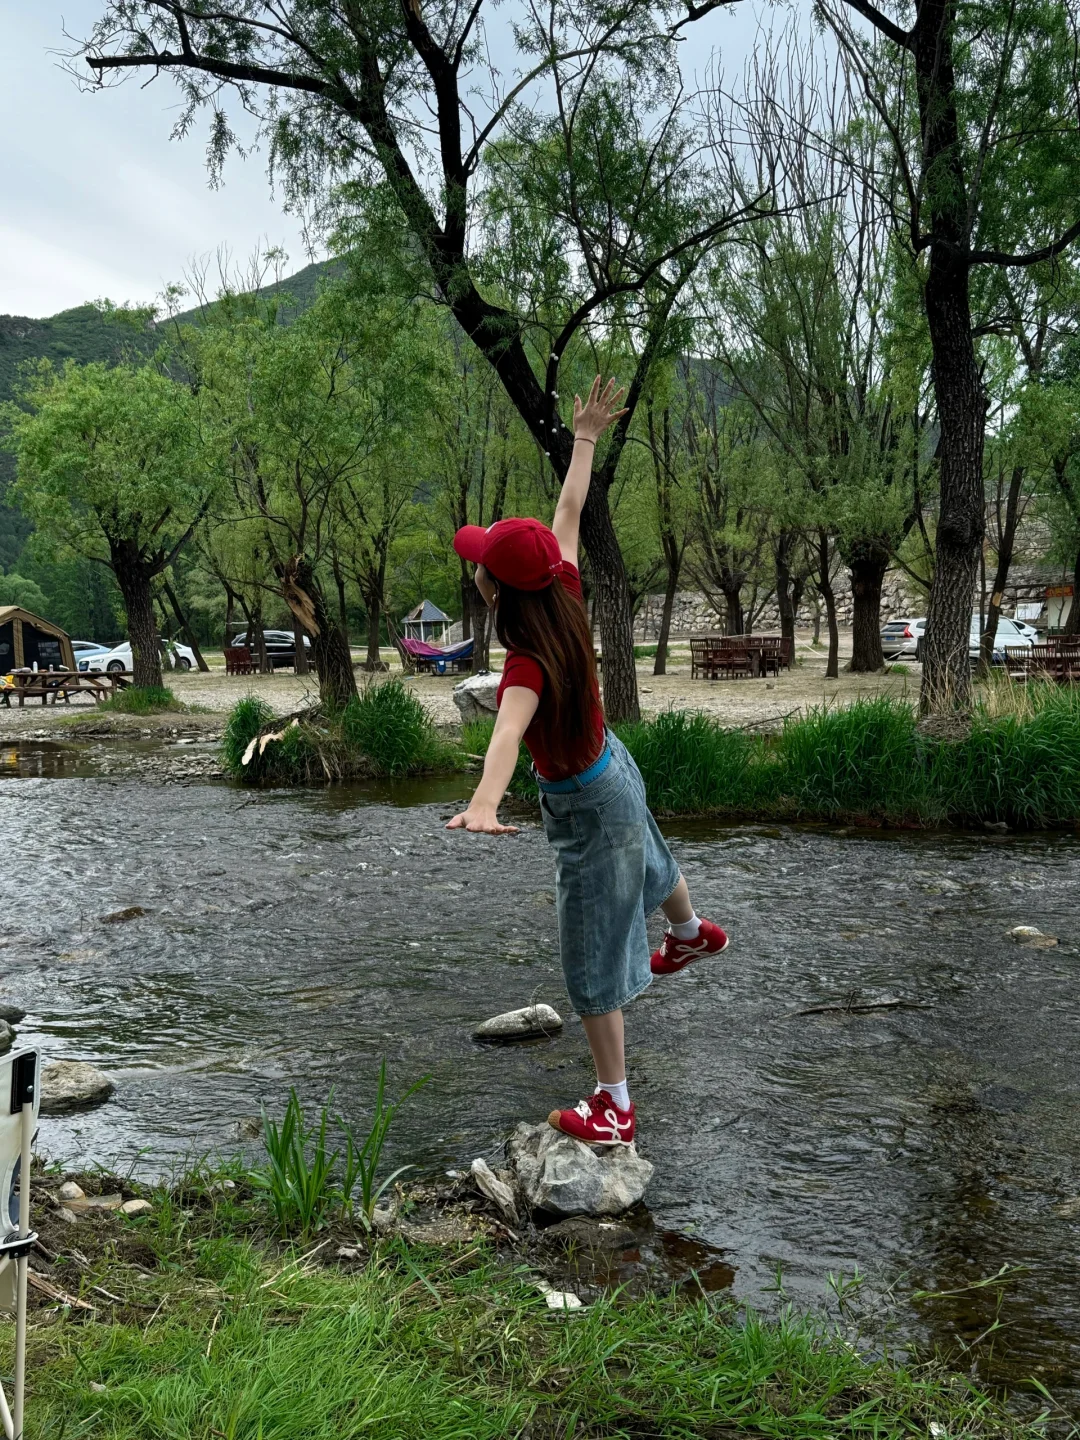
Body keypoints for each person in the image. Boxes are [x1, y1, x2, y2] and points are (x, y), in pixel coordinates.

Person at [447, 376, 729, 1146]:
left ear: (495, 587)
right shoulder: (563, 592)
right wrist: (586, 437)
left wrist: (483, 802)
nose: (474, 568)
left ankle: (615, 1106)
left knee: (589, 959)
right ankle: (691, 930)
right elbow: (568, 510)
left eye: (480, 564)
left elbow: (505, 736)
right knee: (651, 852)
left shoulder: (525, 663)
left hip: (581, 798)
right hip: (614, 765)